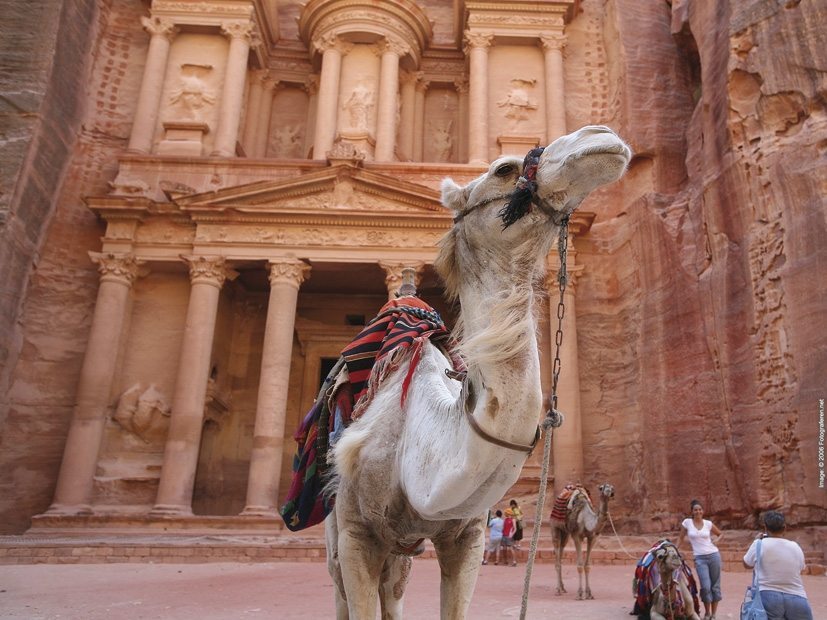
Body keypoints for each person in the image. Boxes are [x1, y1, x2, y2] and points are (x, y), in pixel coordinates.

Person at [743, 511, 813, 620]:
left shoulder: (759, 544)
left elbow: (747, 563)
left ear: (765, 528)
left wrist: (755, 541)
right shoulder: (795, 546)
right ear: (784, 528)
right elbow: (801, 568)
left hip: (767, 595)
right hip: (797, 596)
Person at [677, 499, 723, 620]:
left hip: (714, 555)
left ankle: (713, 614)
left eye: (700, 509)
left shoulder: (708, 523)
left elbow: (720, 534)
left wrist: (717, 540)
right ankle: (707, 612)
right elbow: (681, 538)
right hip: (700, 558)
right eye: (695, 510)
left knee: (715, 586)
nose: (698, 511)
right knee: (706, 586)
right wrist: (675, 549)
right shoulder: (687, 523)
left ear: (703, 511)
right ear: (692, 511)